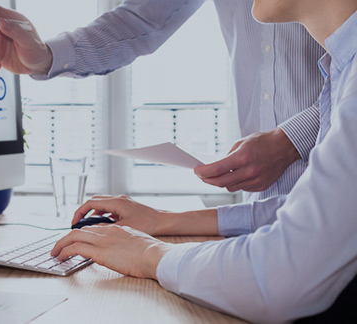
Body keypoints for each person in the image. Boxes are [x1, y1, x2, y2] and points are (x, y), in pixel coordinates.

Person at [49, 0, 357, 322]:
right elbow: (305, 213)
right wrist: (165, 220)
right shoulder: (342, 70)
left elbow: (280, 277)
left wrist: (149, 254)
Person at [0, 0, 325, 202]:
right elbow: (141, 21)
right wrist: (44, 55)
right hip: (262, 206)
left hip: (339, 193)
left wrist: (292, 140)